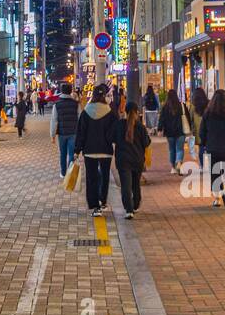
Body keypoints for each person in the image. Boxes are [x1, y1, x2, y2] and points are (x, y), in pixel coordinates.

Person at [74, 84, 114, 214]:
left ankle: (95, 206)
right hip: (105, 150)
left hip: (89, 151)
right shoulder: (110, 112)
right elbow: (113, 133)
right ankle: (103, 201)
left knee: (92, 178)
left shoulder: (86, 112)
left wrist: (77, 150)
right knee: (105, 176)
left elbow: (81, 133)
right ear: (104, 96)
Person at [111, 102, 150, 218]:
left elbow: (113, 138)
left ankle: (129, 210)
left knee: (126, 185)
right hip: (137, 159)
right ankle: (136, 205)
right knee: (135, 184)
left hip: (123, 160)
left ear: (125, 111)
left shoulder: (119, 125)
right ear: (137, 112)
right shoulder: (140, 126)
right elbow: (147, 142)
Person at [200, 90, 225, 208]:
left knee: (215, 173)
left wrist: (205, 144)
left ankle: (217, 198)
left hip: (212, 147)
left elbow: (202, 132)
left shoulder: (207, 114)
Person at [50, 82, 80, 179]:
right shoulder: (76, 104)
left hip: (62, 133)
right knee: (71, 154)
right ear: (71, 91)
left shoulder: (57, 104)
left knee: (62, 154)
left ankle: (63, 173)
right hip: (73, 133)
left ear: (61, 91)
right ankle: (70, 174)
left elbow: (54, 120)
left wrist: (52, 135)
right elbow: (80, 119)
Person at [159, 89, 192, 173]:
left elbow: (161, 119)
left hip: (169, 132)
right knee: (180, 149)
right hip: (180, 131)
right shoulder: (182, 105)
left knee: (171, 149)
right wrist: (190, 128)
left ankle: (173, 167)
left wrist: (160, 129)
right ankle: (179, 162)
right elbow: (188, 117)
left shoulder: (165, 107)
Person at [190, 87, 209, 164]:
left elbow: (190, 118)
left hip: (197, 130)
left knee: (201, 147)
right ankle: (210, 163)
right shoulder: (208, 104)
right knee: (208, 146)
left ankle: (202, 164)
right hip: (208, 129)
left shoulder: (193, 106)